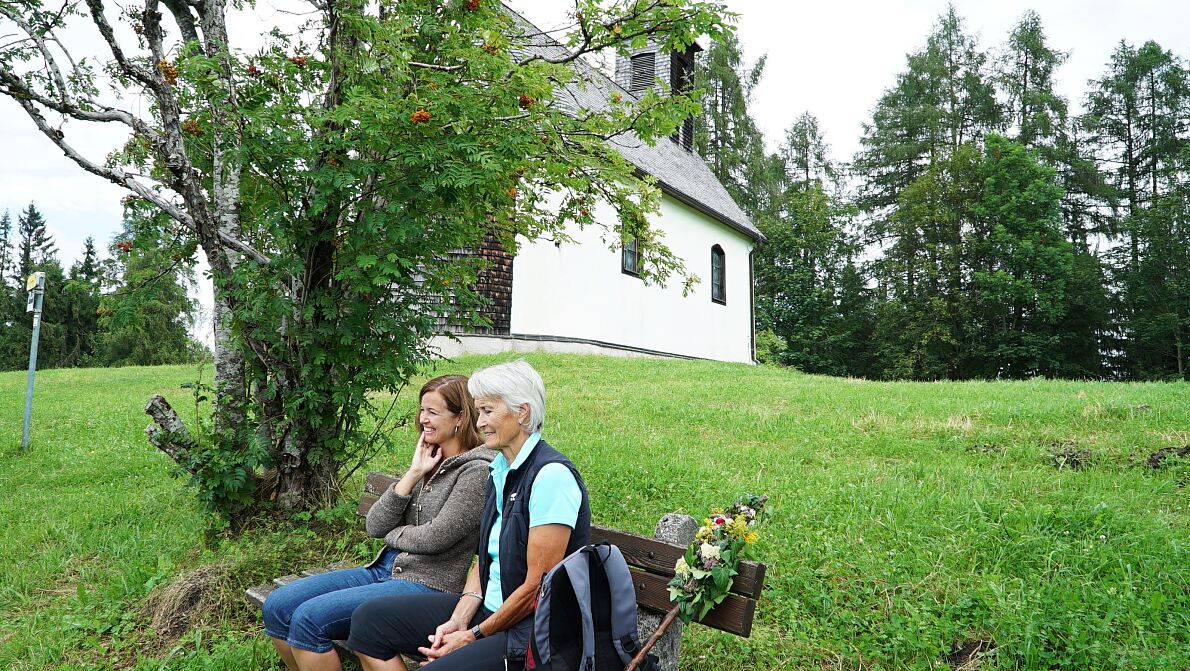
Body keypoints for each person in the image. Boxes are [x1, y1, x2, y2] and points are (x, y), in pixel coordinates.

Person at [347, 360, 591, 671]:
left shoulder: (551, 477)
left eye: (488, 411)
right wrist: (459, 619)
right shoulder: (501, 470)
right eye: (478, 412)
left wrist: (472, 636)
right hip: (488, 610)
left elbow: (535, 589)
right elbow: (485, 556)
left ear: (523, 412)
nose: (480, 423)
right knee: (369, 622)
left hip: (532, 631)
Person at [262, 374, 495, 671]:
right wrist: (412, 474)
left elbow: (435, 538)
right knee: (278, 606)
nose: (423, 419)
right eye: (422, 410)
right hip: (384, 569)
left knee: (309, 619)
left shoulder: (476, 472)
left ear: (461, 417)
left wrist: (393, 534)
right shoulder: (430, 461)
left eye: (433, 412)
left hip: (427, 583)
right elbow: (374, 525)